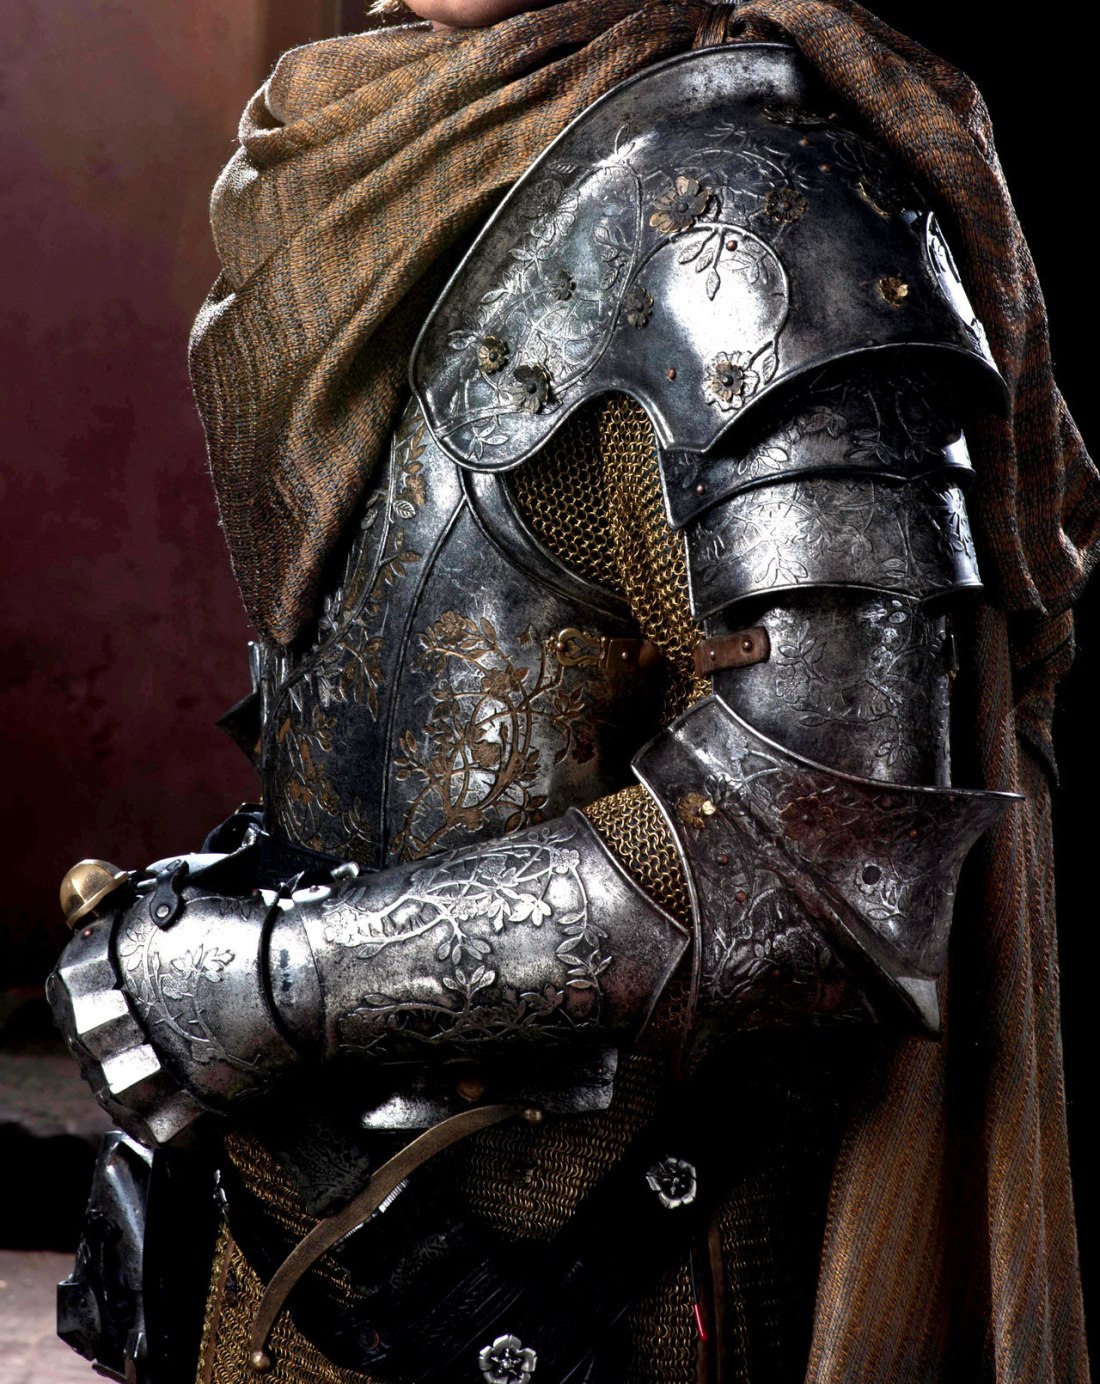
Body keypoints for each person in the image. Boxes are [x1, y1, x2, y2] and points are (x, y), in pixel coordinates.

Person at [48, 1, 1095, 1381]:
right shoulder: (364, 160)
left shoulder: (751, 215)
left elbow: (825, 865)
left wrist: (274, 979)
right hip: (314, 1212)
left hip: (589, 1264)